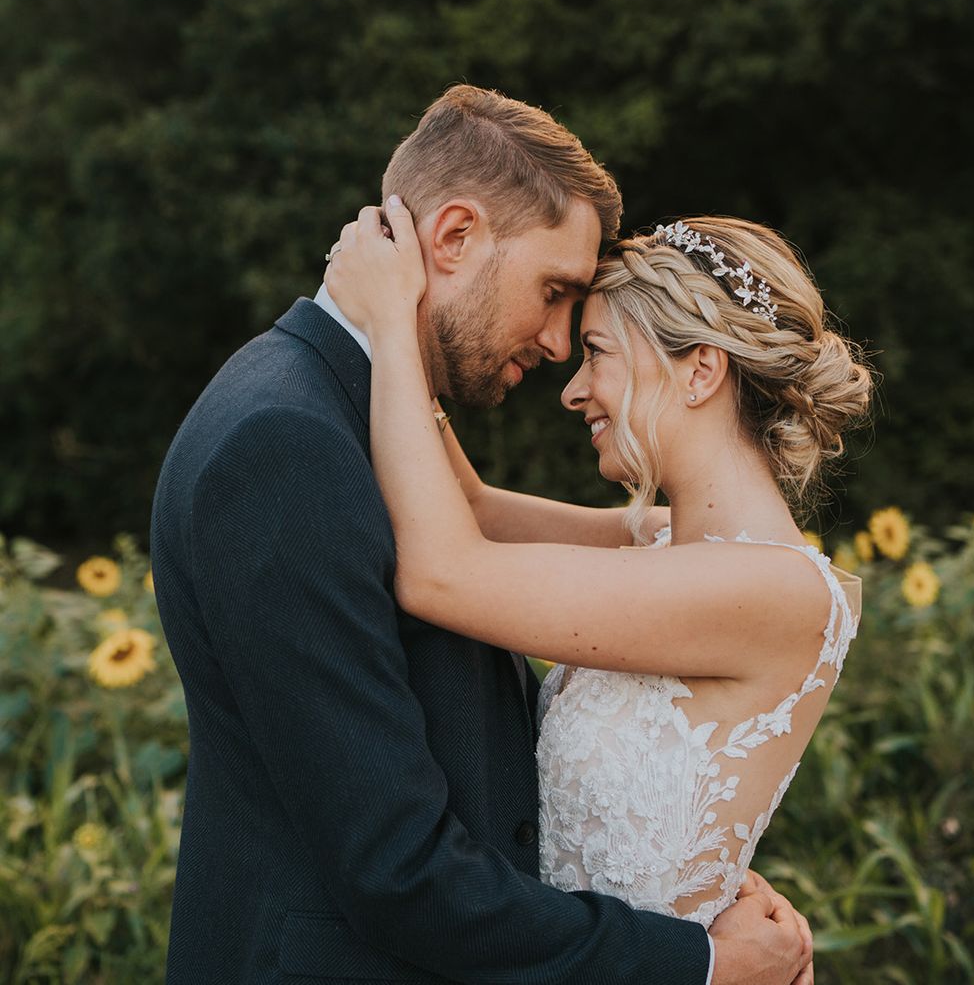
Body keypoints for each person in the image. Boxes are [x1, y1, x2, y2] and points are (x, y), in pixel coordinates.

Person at [151, 84, 813, 985]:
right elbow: (398, 867)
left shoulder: (341, 415)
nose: (556, 344)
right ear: (454, 237)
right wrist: (693, 958)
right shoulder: (286, 445)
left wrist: (692, 871)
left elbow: (474, 516)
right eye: (554, 291)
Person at [323, 198, 872, 937]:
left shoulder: (774, 590)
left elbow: (442, 574)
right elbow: (476, 509)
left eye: (598, 353)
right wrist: (421, 325)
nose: (574, 390)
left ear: (700, 371)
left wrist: (389, 323)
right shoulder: (658, 544)